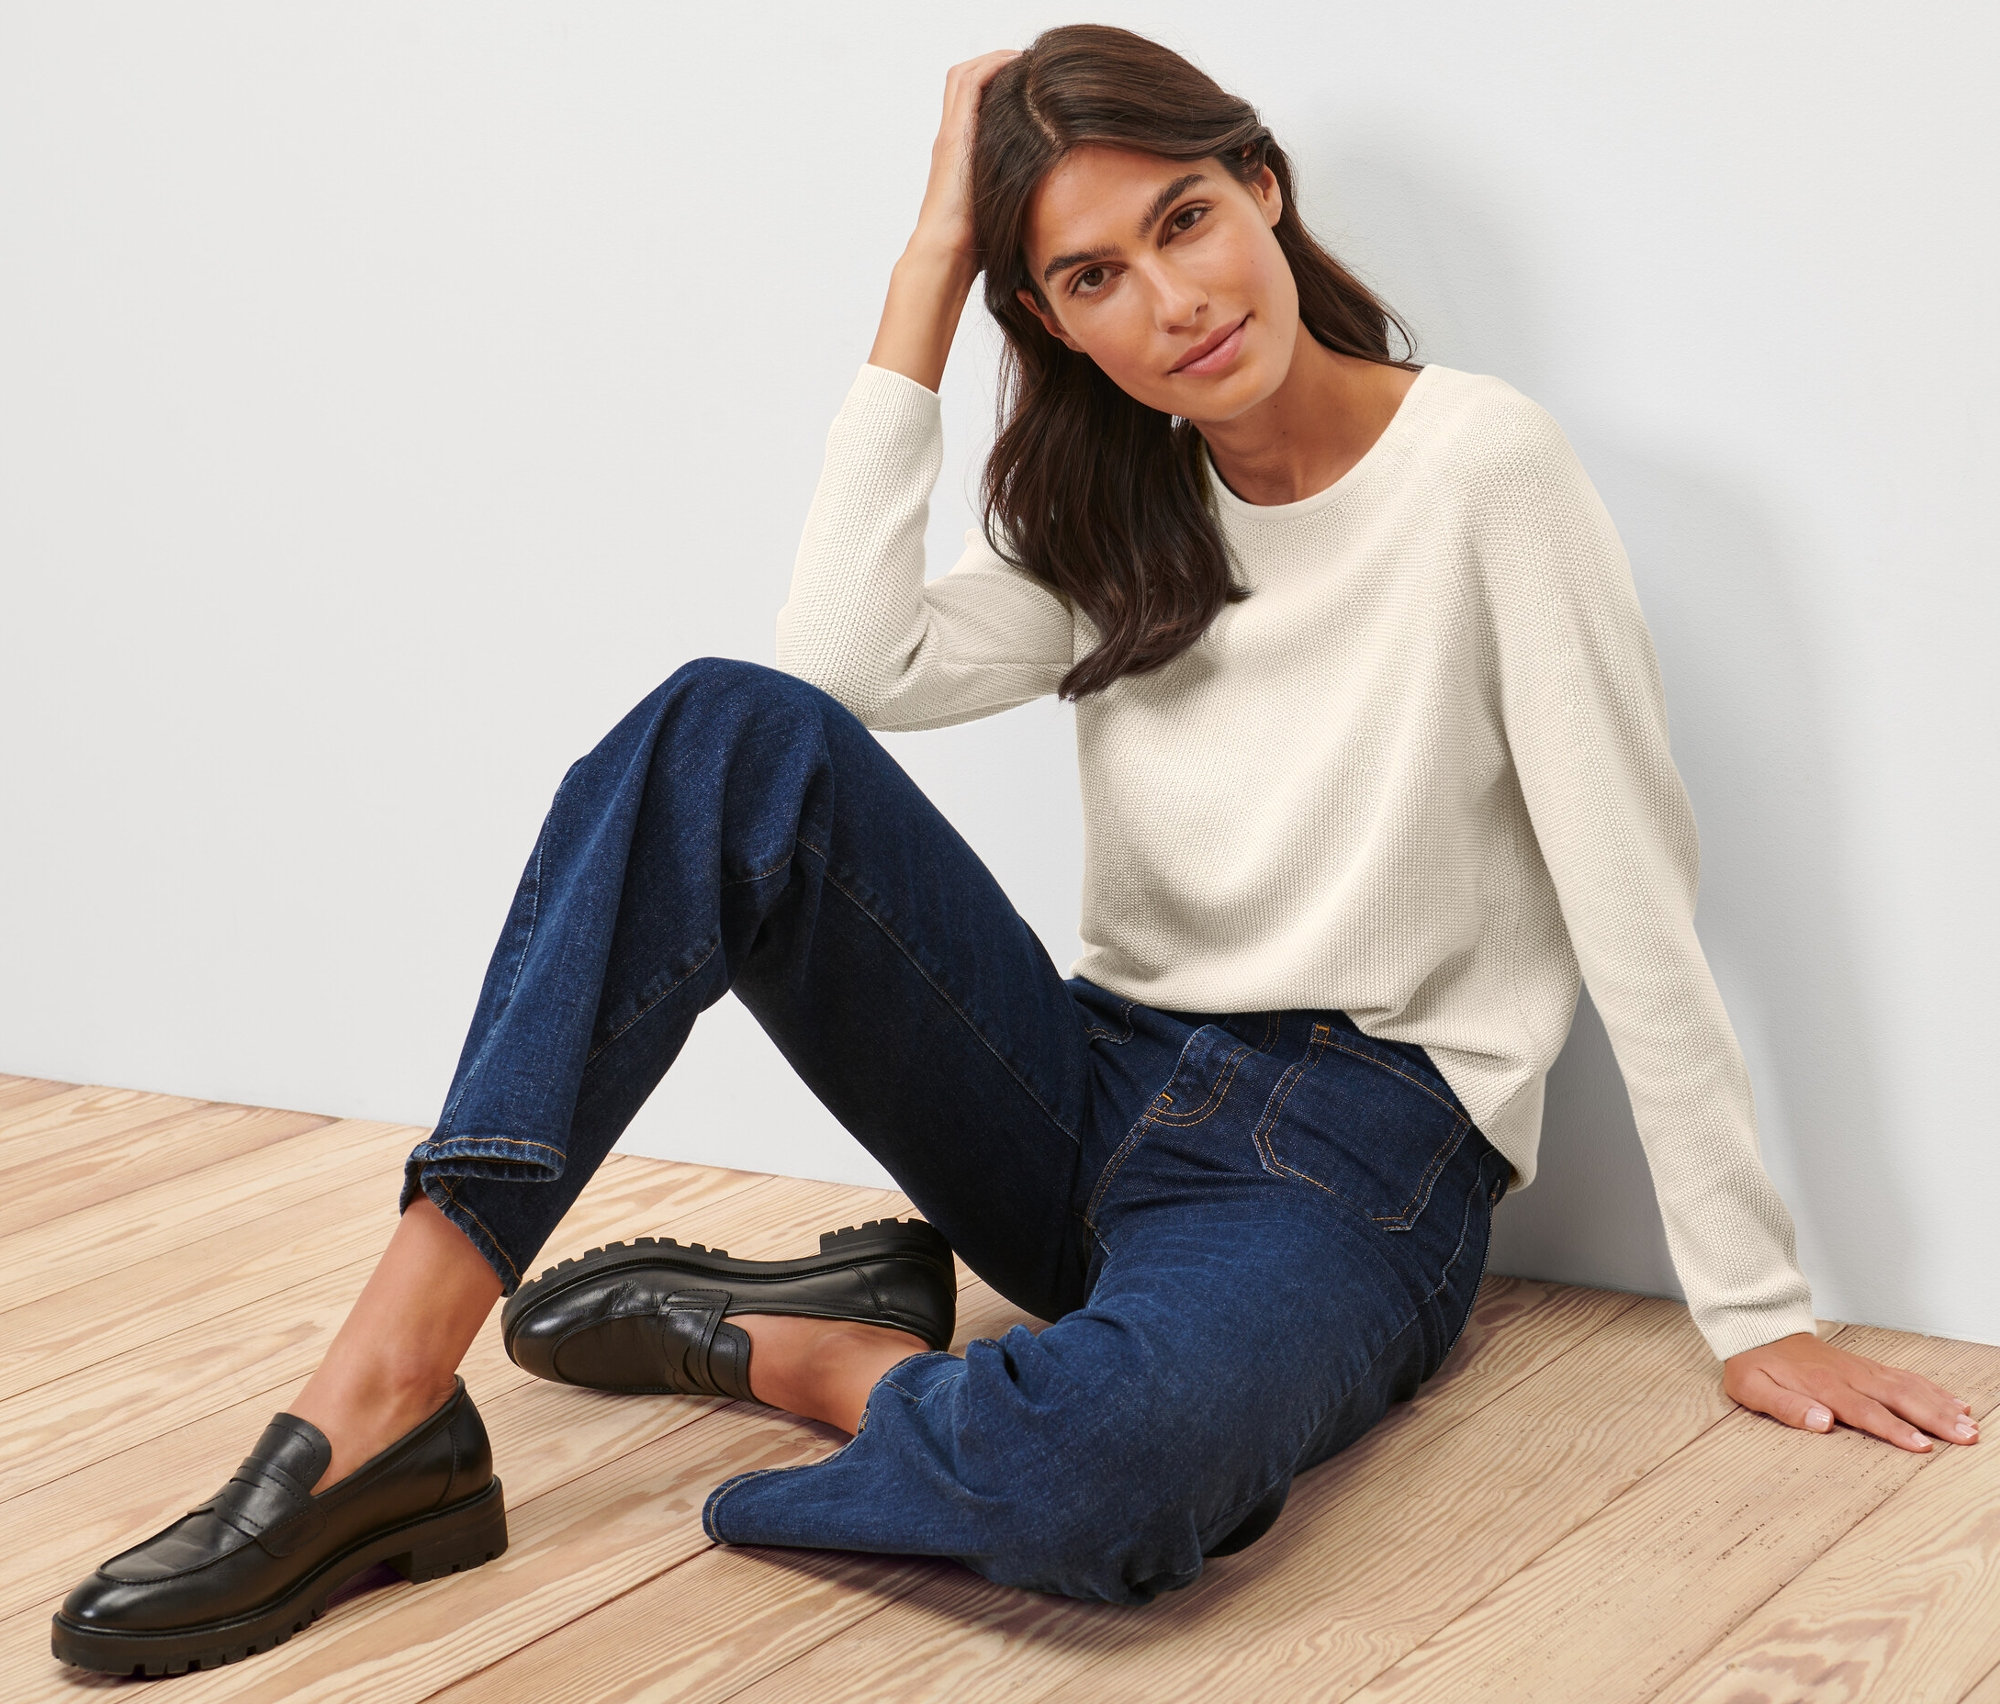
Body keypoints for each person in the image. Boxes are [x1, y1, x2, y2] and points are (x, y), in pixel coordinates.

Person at [52, 22, 1978, 1679]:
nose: (1175, 302)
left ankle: (792, 1354)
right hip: (1080, 1093)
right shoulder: (1117, 514)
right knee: (720, 727)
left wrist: (1757, 1307)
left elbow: (1630, 882)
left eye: (1186, 221)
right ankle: (377, 1404)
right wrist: (920, 270)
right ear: (1044, 319)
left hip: (1356, 1162)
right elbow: (820, 685)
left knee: (1109, 1483)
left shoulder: (1483, 469)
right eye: (1089, 279)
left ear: (1265, 190)